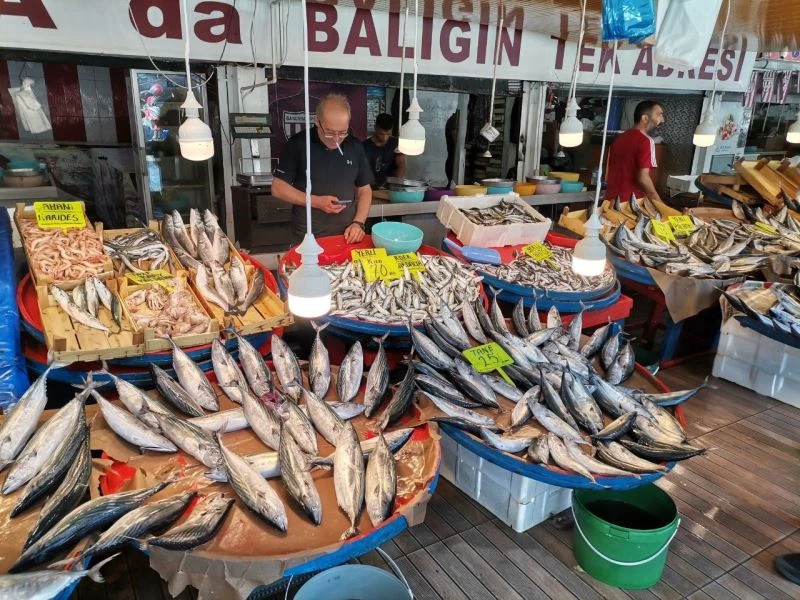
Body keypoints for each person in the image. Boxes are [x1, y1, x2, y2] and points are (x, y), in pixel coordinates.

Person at [272, 94, 374, 245]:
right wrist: (316, 201)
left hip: (347, 235)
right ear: (317, 121)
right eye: (330, 132)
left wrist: (358, 223)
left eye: (343, 132)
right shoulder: (299, 144)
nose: (336, 139)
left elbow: (365, 189)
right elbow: (278, 188)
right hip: (308, 237)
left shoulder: (355, 146)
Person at [605, 100, 665, 203]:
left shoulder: (619, 138)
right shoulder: (646, 141)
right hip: (629, 204)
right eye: (659, 115)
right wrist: (660, 204)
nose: (662, 120)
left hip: (610, 201)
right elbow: (643, 178)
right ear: (645, 118)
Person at [363, 113, 405, 188]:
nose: (385, 138)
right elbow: (361, 171)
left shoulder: (396, 143)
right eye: (381, 134)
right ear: (375, 127)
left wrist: (396, 182)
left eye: (388, 134)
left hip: (391, 188)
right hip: (370, 188)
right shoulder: (364, 146)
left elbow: (401, 164)